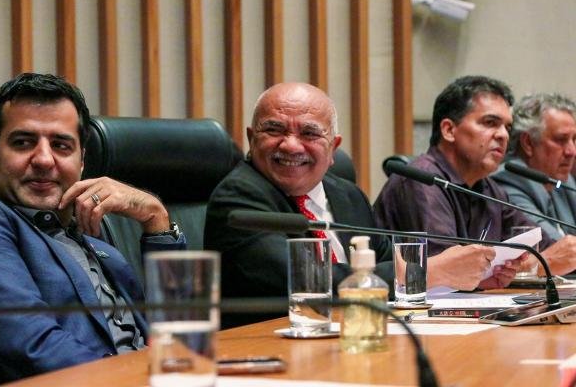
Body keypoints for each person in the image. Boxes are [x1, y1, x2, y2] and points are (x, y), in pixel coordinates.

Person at [204, 82, 498, 328]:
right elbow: (306, 284)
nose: (291, 145)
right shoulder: (238, 197)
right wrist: (423, 272)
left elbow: (385, 261)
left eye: (309, 133)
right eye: (274, 129)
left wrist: (465, 275)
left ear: (333, 148)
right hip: (267, 348)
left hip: (356, 335)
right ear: (251, 138)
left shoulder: (347, 195)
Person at [0, 73, 185, 385]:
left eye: (61, 145)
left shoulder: (96, 237)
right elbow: (28, 343)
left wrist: (156, 217)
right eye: (23, 143)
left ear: (82, 161)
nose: (44, 159)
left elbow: (178, 327)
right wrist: (133, 377)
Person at [375, 75, 576, 281]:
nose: (503, 135)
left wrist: (533, 262)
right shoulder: (422, 181)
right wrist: (543, 264)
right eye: (490, 123)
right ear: (449, 130)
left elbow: (542, 246)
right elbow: (449, 272)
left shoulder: (489, 188)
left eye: (507, 127)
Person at [492, 93, 576, 241]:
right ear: (528, 143)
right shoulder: (506, 188)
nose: (572, 151)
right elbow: (551, 244)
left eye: (574, 140)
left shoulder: (563, 181)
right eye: (561, 140)